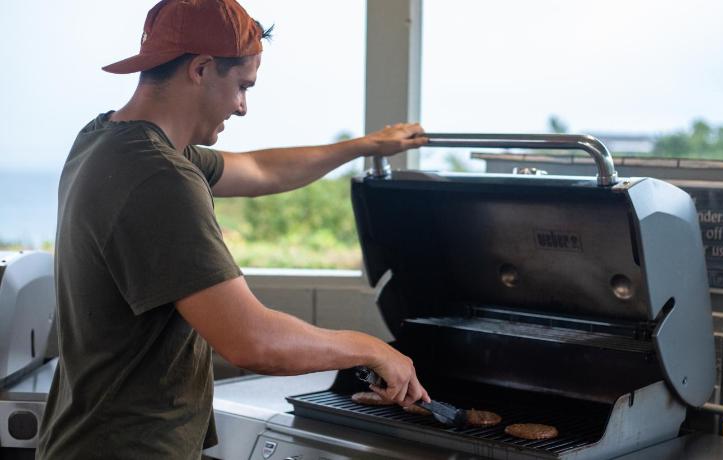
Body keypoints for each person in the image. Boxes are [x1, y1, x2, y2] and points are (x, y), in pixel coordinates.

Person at [36, 1, 429, 458]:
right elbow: (253, 342)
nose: (242, 107)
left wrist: (364, 147)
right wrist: (372, 349)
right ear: (201, 69)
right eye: (242, 86)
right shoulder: (158, 176)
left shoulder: (107, 139)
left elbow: (262, 169)